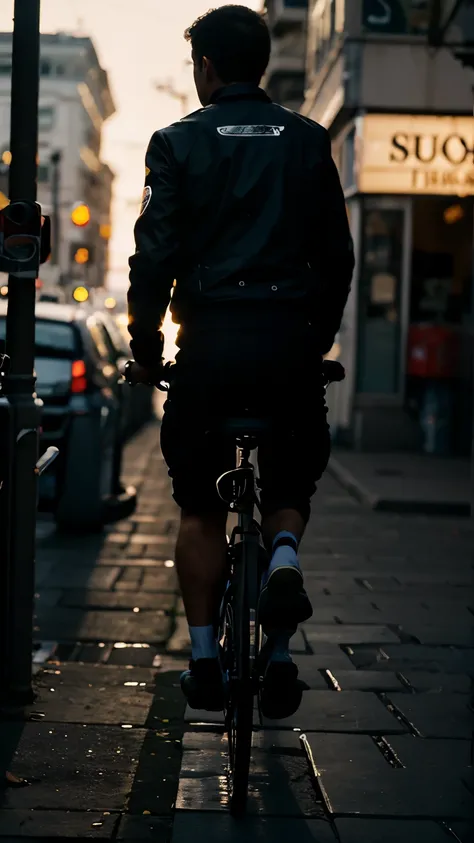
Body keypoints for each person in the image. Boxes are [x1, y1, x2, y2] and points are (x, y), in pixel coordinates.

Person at [127, 5, 354, 716]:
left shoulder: (176, 142)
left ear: (205, 68)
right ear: (259, 64)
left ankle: (203, 658)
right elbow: (339, 258)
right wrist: (315, 336)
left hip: (212, 350)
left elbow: (154, 253)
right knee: (289, 485)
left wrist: (146, 345)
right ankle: (281, 586)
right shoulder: (309, 141)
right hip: (288, 346)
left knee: (198, 506)